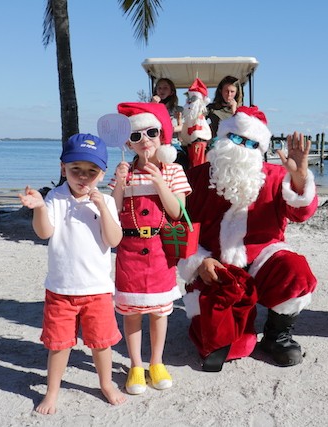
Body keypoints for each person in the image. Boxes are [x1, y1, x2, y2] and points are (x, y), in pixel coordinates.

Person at [178, 106, 318, 371]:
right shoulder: (195, 177)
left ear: (260, 148)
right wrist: (199, 261)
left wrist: (300, 177)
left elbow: (301, 213)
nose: (242, 147)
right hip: (216, 268)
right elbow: (178, 226)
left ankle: (277, 335)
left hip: (262, 260)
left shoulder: (276, 176)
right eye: (236, 138)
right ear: (222, 138)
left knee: (296, 271)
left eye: (252, 143)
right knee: (232, 347)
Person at [19, 133, 126, 414]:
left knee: (101, 343)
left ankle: (106, 383)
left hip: (97, 289)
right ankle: (52, 390)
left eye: (92, 171)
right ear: (62, 167)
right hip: (61, 289)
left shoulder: (106, 201)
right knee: (58, 344)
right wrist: (39, 207)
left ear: (102, 173)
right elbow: (44, 232)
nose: (83, 177)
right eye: (75, 168)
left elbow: (114, 239)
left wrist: (102, 207)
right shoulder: (55, 197)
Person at [110, 102, 192, 394]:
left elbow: (177, 211)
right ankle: (135, 365)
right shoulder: (125, 172)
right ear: (128, 143)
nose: (145, 140)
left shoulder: (173, 170)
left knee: (159, 312)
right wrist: (119, 184)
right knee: (131, 312)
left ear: (162, 135)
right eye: (136, 136)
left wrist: (159, 182)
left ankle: (156, 362)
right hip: (129, 250)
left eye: (151, 133)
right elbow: (113, 211)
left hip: (160, 250)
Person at [151, 78, 186, 168]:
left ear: (171, 92)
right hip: (156, 144)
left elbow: (182, 128)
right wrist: (153, 105)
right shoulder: (152, 107)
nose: (162, 90)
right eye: (159, 88)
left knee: (182, 159)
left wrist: (170, 129)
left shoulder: (178, 110)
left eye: (165, 88)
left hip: (173, 144)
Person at [180, 78, 212, 168]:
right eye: (189, 98)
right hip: (189, 146)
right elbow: (184, 132)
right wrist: (186, 138)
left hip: (199, 145)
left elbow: (207, 133)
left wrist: (197, 134)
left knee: (198, 165)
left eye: (193, 98)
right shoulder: (188, 120)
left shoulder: (201, 119)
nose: (190, 101)